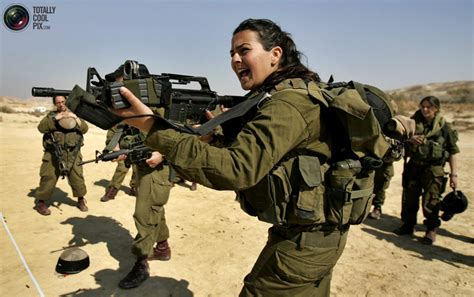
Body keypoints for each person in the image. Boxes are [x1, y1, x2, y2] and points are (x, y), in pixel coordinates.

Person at [113, 19, 349, 296]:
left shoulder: (289, 102)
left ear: (276, 54)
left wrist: (151, 127)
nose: (235, 60)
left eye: (244, 50)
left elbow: (237, 169)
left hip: (306, 240)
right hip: (311, 234)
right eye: (232, 54)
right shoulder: (287, 93)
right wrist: (218, 138)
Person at [104, 65, 174, 289]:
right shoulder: (131, 108)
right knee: (154, 208)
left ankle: (141, 263)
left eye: (122, 82)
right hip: (142, 166)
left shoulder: (160, 105)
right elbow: (125, 132)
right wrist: (119, 150)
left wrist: (161, 153)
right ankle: (162, 248)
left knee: (144, 213)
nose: (119, 88)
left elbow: (185, 133)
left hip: (158, 168)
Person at [394, 96, 460, 245]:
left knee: (431, 200)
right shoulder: (412, 123)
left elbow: (453, 151)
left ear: (436, 109)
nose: (424, 110)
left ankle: (431, 229)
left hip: (434, 169)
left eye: (428, 107)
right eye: (422, 106)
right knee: (409, 198)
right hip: (414, 166)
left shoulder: (444, 127)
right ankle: (408, 225)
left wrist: (454, 174)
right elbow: (399, 142)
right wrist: (410, 140)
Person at [35, 95, 89, 215]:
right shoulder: (51, 116)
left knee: (77, 178)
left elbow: (85, 128)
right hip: (53, 153)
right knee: (48, 177)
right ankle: (41, 202)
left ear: (67, 102)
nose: (61, 104)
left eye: (63, 101)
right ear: (55, 104)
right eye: (58, 102)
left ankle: (81, 200)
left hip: (73, 153)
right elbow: (41, 128)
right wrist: (55, 119)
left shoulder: (75, 114)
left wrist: (75, 118)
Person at [100, 126, 137, 202]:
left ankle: (135, 187)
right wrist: (114, 145)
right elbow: (112, 130)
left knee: (137, 168)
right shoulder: (121, 118)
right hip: (123, 146)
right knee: (121, 167)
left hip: (139, 145)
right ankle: (112, 189)